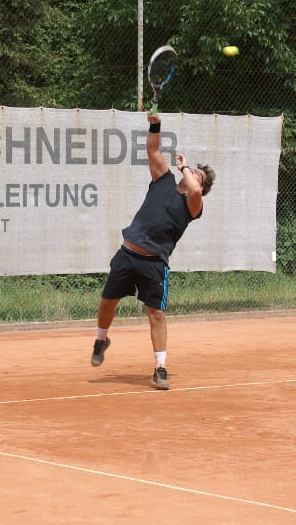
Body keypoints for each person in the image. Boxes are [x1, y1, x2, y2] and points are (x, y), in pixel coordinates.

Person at [90, 108, 215, 390]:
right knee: (108, 301)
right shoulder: (163, 181)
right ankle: (101, 339)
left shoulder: (194, 204)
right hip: (127, 253)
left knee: (156, 314)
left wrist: (185, 167)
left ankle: (160, 368)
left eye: (199, 175)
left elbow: (194, 190)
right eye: (194, 170)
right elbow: (151, 148)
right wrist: (156, 125)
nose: (194, 173)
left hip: (154, 263)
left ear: (202, 186)